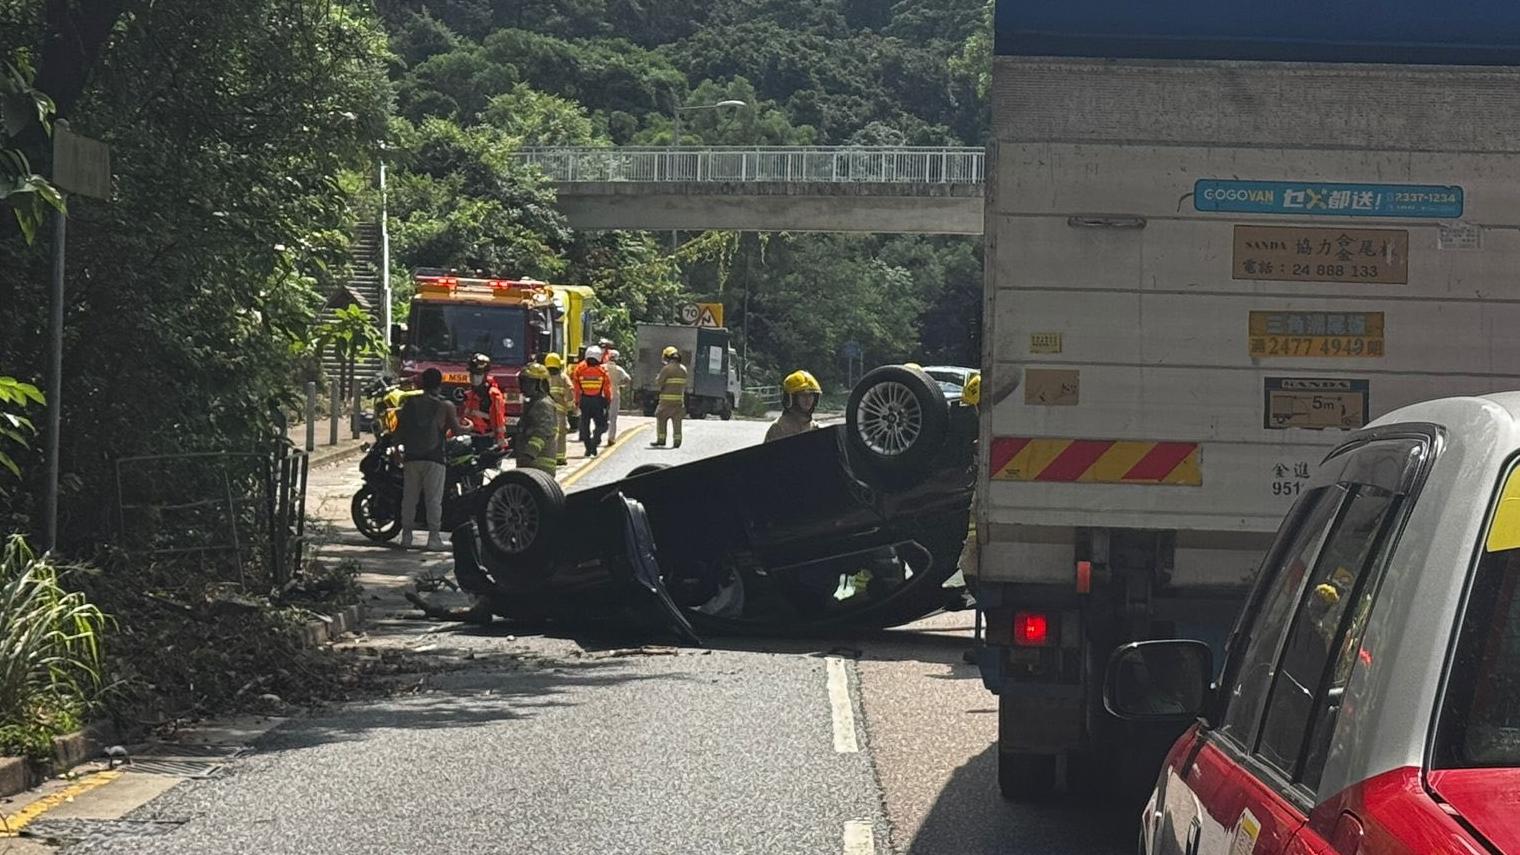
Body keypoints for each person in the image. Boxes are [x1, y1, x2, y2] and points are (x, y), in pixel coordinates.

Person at [397, 368, 468, 550]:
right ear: (440, 384)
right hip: (434, 458)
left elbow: (399, 430)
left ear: (422, 383)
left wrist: (397, 452)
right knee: (433, 500)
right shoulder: (445, 406)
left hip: (411, 457)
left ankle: (406, 537)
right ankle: (433, 538)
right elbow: (457, 431)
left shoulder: (410, 403)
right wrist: (470, 426)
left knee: (409, 498)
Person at [514, 361, 559, 474]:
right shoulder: (533, 403)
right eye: (523, 382)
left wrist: (529, 453)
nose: (524, 386)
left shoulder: (543, 404)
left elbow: (542, 432)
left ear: (540, 384)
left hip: (539, 464)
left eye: (528, 382)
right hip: (530, 465)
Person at [460, 353, 507, 451]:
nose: (473, 377)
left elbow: (499, 421)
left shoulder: (493, 395)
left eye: (477, 374)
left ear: (485, 374)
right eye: (472, 373)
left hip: (487, 440)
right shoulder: (470, 393)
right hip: (469, 438)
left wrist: (500, 440)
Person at [574, 345, 612, 457]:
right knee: (602, 425)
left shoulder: (579, 369)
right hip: (598, 401)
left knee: (584, 426)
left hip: (584, 400)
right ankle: (594, 443)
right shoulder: (602, 371)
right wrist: (608, 400)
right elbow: (607, 388)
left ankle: (588, 448)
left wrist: (577, 401)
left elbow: (576, 388)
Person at [765, 370, 822, 442]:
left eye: (811, 395)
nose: (808, 399)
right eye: (803, 395)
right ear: (791, 398)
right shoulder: (779, 428)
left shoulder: (815, 427)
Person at [651, 345, 688, 448]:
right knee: (677, 421)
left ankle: (661, 439)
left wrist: (658, 377)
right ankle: (677, 440)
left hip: (666, 401)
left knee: (661, 418)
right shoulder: (683, 369)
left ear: (667, 357)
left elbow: (659, 382)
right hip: (679, 401)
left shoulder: (667, 369)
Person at [544, 353, 576, 466]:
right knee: (561, 434)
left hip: (545, 410)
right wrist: (571, 407)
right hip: (560, 411)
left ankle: (547, 457)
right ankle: (560, 458)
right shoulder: (563, 377)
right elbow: (570, 392)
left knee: (546, 434)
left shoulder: (543, 377)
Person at [604, 348, 631, 444]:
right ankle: (611, 438)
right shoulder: (619, 369)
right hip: (614, 393)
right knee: (613, 418)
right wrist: (620, 384)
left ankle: (597, 436)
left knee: (599, 416)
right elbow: (628, 379)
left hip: (602, 394)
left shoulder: (602, 368)